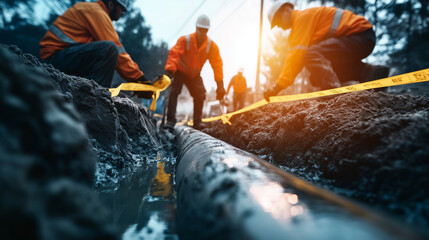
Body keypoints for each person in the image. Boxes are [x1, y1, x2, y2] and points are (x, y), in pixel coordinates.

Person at [264, 1, 390, 101]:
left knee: (312, 55)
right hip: (363, 38)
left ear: (287, 10)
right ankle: (371, 73)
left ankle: (332, 91)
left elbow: (295, 58)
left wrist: (277, 87)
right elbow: (300, 60)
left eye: (278, 21)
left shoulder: (301, 19)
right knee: (316, 76)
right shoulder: (303, 22)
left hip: (359, 36)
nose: (279, 26)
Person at [40, 0, 150, 88]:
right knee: (109, 49)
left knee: (105, 50)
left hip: (61, 57)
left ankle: (90, 90)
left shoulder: (93, 10)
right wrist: (139, 79)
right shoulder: (97, 13)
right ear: (111, 4)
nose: (121, 14)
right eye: (121, 10)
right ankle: (97, 98)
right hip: (55, 59)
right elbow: (118, 51)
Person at [164, 14, 225, 129]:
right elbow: (174, 54)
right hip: (180, 72)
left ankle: (197, 122)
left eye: (204, 30)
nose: (202, 32)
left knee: (200, 93)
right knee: (174, 91)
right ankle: (170, 122)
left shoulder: (211, 46)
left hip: (194, 75)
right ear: (196, 28)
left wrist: (220, 84)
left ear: (207, 30)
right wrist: (170, 70)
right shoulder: (185, 40)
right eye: (200, 29)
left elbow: (217, 64)